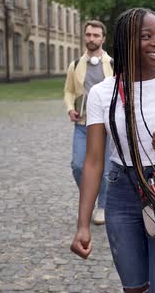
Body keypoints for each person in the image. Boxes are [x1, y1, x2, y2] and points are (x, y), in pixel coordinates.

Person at [70, 8, 155, 293]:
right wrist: (82, 224)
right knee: (134, 288)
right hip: (121, 193)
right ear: (125, 42)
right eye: (146, 36)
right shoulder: (103, 93)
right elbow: (93, 162)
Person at [63, 20, 113, 225]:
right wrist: (70, 108)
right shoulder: (75, 65)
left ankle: (102, 205)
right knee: (77, 165)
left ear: (103, 38)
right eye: (88, 35)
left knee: (108, 170)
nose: (91, 38)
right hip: (83, 124)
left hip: (108, 126)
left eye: (96, 35)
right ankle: (89, 197)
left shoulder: (113, 64)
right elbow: (68, 91)